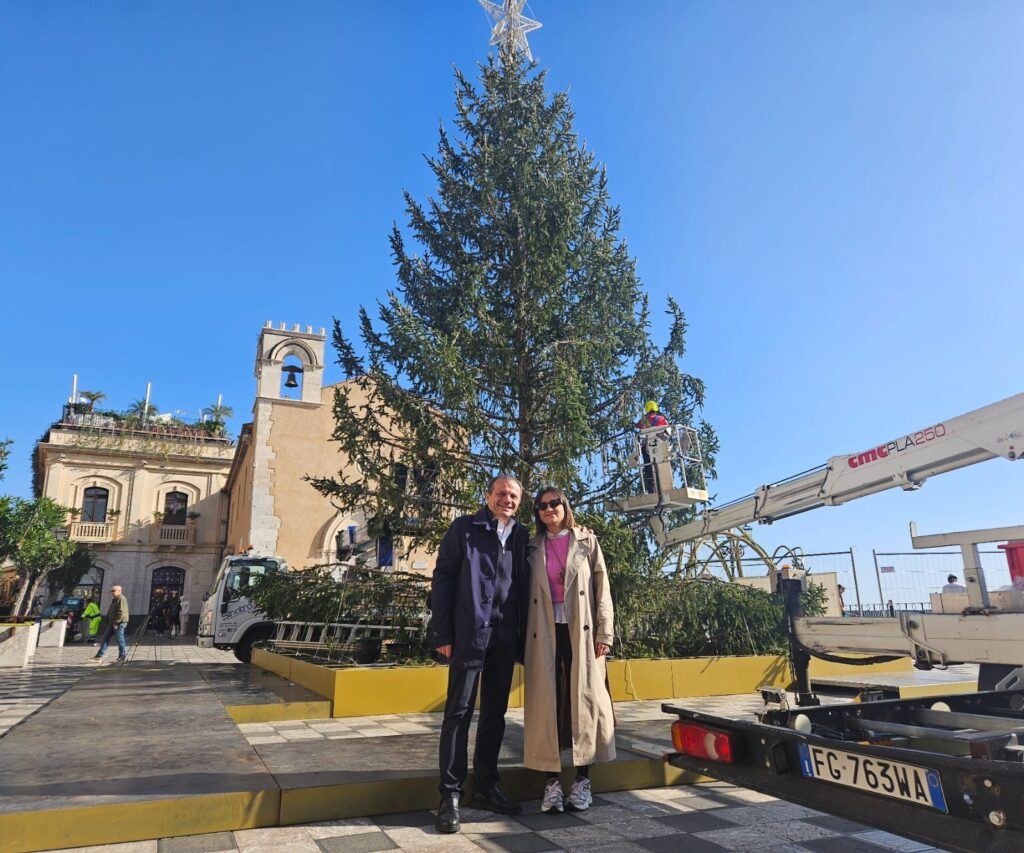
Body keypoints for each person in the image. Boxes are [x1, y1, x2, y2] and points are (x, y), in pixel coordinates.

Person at [430, 475, 531, 834]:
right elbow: (443, 578)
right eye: (501, 493)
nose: (507, 499)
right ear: (488, 496)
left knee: (494, 713)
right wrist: (443, 633)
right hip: (469, 634)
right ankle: (450, 795)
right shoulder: (464, 529)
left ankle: (486, 786)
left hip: (504, 637)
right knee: (458, 714)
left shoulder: (522, 537)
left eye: (514, 495)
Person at [524, 486, 616, 813]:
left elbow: (602, 589)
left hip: (582, 631)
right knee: (546, 704)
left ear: (565, 506)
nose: (548, 509)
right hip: (543, 633)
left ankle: (582, 781)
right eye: (541, 506)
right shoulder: (531, 546)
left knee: (584, 700)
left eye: (554, 503)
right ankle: (551, 784)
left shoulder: (587, 541)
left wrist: (605, 631)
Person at [635, 401, 670, 494]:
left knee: (648, 467)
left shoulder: (643, 420)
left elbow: (638, 426)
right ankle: (663, 487)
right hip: (659, 446)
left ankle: (651, 489)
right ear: (656, 408)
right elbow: (668, 430)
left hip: (646, 447)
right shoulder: (661, 419)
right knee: (661, 466)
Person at [92, 585, 130, 662]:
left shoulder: (121, 599)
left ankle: (122, 657)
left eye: (114, 591)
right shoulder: (115, 599)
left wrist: (116, 623)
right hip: (112, 622)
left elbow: (121, 612)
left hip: (120, 622)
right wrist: (108, 619)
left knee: (120, 639)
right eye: (112, 591)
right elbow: (111, 611)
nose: (112, 592)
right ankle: (98, 656)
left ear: (119, 591)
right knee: (106, 637)